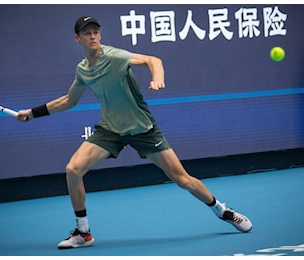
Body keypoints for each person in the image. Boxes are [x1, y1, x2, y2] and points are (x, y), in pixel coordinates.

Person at [16, 16, 252, 249]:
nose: (93, 36)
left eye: (95, 31)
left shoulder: (114, 57)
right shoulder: (83, 70)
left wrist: (157, 78)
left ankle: (223, 211)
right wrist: (32, 113)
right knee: (73, 170)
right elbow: (69, 100)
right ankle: (83, 232)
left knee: (183, 180)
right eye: (87, 33)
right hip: (110, 130)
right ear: (77, 38)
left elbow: (153, 59)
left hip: (143, 129)